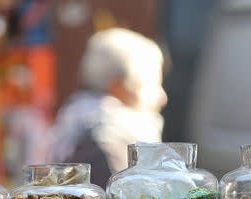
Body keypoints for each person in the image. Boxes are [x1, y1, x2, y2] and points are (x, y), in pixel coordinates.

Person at [47, 28, 167, 187]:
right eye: (152, 84)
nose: (162, 98)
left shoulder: (79, 125)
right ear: (119, 86)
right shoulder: (109, 144)